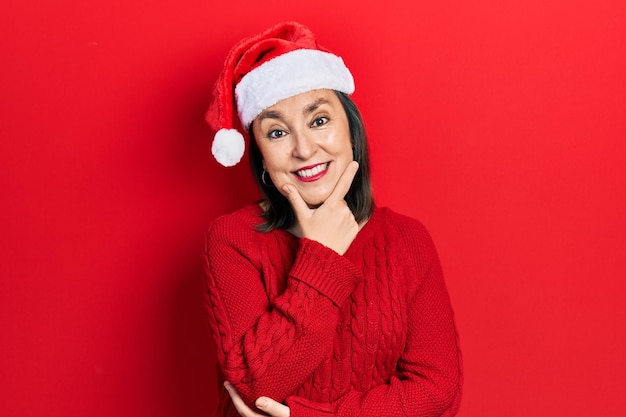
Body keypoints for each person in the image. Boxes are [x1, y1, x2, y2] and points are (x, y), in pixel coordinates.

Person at [203, 21, 462, 417]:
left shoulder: (408, 240)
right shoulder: (232, 239)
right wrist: (322, 251)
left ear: (350, 129)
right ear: (260, 156)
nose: (304, 149)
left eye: (319, 120)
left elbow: (436, 390)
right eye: (276, 133)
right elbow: (255, 386)